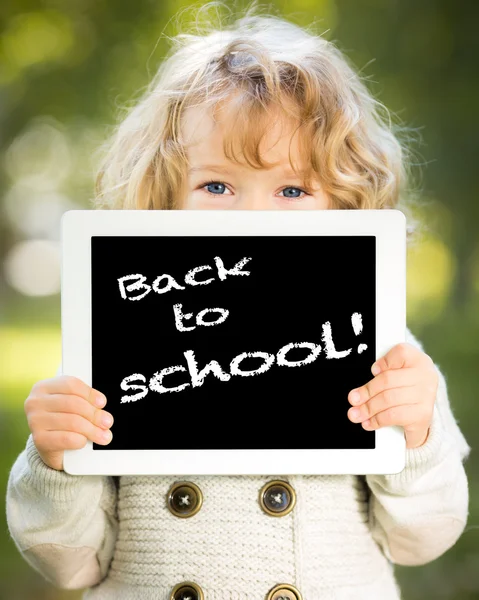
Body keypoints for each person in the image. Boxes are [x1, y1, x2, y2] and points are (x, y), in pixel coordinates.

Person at [6, 4, 471, 599]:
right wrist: (55, 462)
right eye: (218, 185)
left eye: (293, 188)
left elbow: (422, 540)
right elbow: (69, 566)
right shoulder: (115, 344)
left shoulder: (382, 346)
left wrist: (416, 434)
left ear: (344, 202)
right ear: (165, 194)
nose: (254, 217)